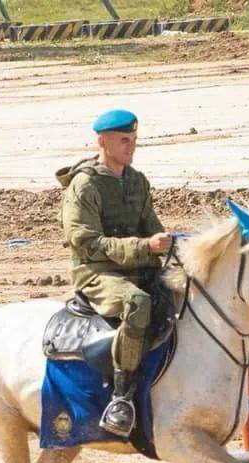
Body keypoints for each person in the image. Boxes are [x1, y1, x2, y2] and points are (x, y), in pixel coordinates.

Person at [55, 109, 172, 437]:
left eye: (134, 140)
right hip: (97, 274)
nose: (131, 146)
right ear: (102, 141)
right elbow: (85, 241)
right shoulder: (84, 185)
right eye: (124, 140)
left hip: (139, 267)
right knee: (137, 304)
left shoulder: (136, 181)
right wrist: (144, 247)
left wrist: (170, 246)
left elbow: (152, 227)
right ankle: (122, 399)